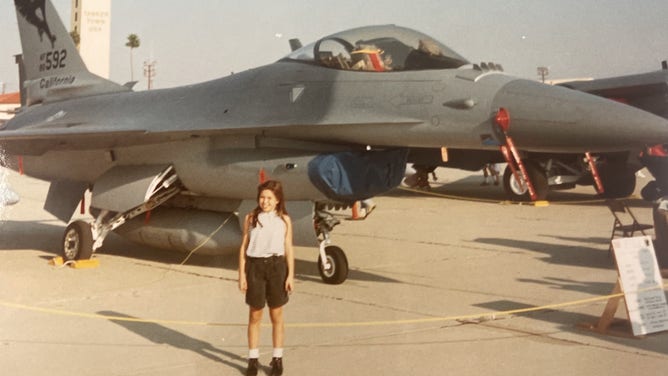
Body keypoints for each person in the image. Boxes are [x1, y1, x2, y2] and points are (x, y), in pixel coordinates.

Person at [238, 180, 295, 376]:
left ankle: (277, 359)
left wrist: (290, 276)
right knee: (255, 315)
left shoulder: (284, 220)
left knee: (276, 315)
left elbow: (288, 248)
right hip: (255, 268)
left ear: (278, 200)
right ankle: (253, 359)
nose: (265, 201)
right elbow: (244, 247)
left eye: (269, 198)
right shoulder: (251, 218)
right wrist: (241, 275)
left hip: (277, 268)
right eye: (262, 197)